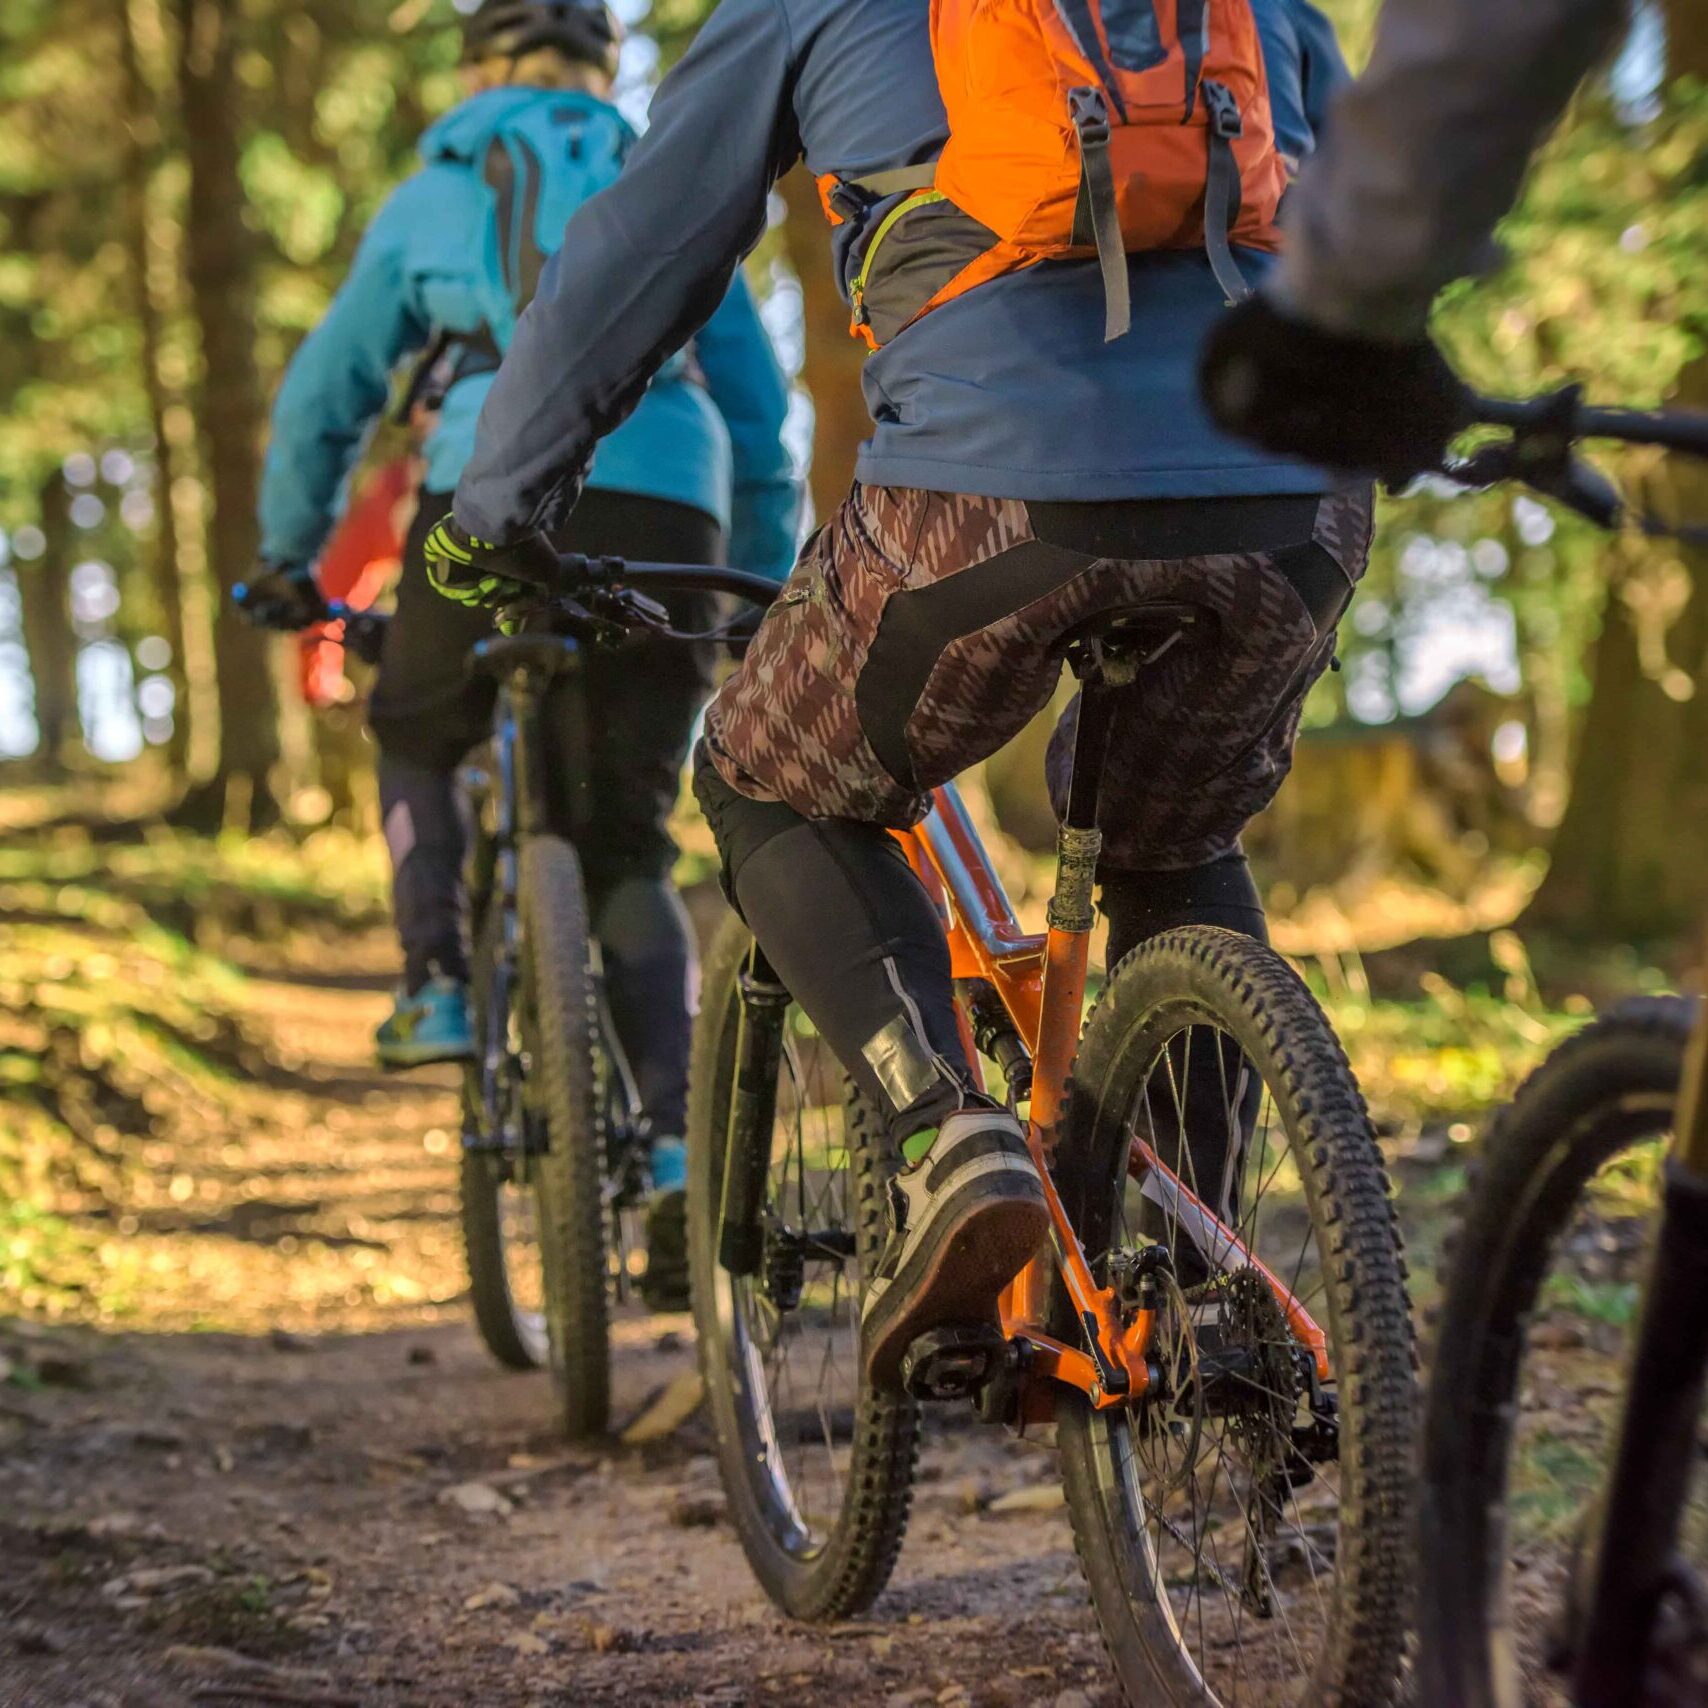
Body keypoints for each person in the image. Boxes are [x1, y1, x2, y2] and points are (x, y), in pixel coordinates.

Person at [426, 0, 1364, 1390]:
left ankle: (943, 1136)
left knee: (762, 775)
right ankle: (1198, 1288)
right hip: (1293, 505)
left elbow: (640, 253)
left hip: (989, 496)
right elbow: (1382, 205)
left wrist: (500, 503)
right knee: (1176, 840)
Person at [239, 0, 800, 1305]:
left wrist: (288, 554)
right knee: (626, 843)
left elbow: (329, 391)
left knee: (417, 724)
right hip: (672, 496)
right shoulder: (669, 173)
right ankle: (675, 1154)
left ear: (482, 69)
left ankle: (437, 978)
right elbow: (760, 414)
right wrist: (755, 587)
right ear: (604, 70)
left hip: (490, 485)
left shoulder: (437, 189)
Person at [1200, 0, 1630, 481]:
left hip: (1217, 410)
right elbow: (1476, 38)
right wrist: (1344, 304)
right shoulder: (1278, 14)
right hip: (1294, 431)